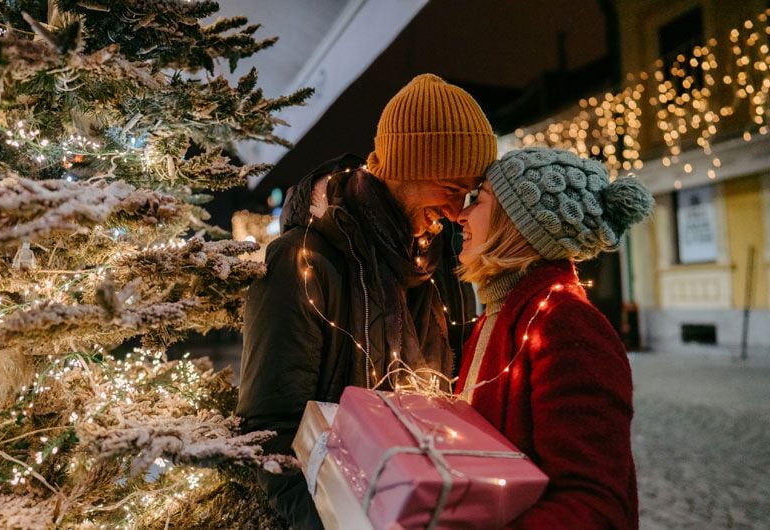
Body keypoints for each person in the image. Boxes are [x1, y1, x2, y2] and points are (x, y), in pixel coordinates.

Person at [237, 73, 497, 528]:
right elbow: (268, 433)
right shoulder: (302, 261)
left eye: (469, 193)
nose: (458, 213)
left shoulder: (439, 270)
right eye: (451, 188)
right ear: (404, 168)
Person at [455, 147, 653, 529]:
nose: (461, 215)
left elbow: (593, 506)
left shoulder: (566, 322)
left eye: (478, 200)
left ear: (517, 222)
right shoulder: (500, 314)